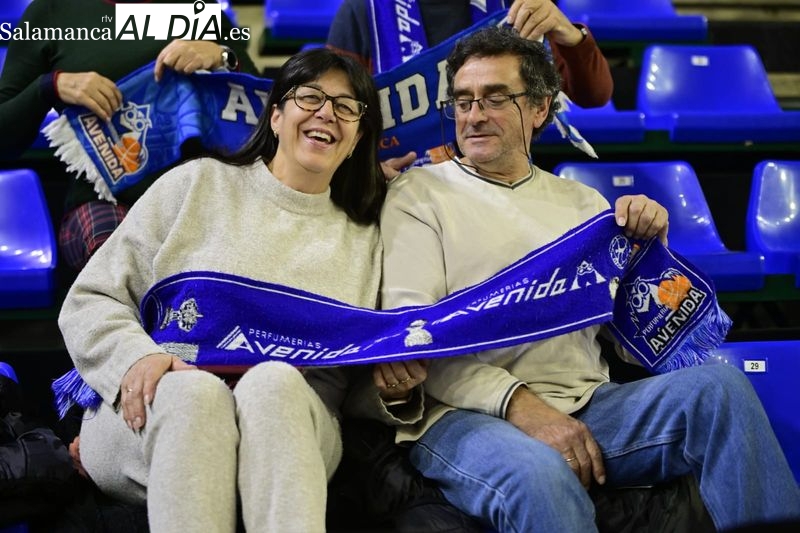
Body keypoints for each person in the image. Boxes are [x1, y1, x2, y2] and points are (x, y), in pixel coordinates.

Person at [369, 25, 800, 532]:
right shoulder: (419, 194)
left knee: (719, 388)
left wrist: (648, 255)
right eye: (463, 101)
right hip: (462, 416)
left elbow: (629, 345)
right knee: (539, 472)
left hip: (591, 404)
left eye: (495, 98)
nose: (474, 115)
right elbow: (416, 339)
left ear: (539, 108)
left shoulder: (582, 203)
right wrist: (522, 406)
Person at [57, 47, 410, 532]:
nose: (327, 113)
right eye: (310, 97)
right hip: (161, 401)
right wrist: (134, 358)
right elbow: (90, 299)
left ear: (358, 139)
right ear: (277, 116)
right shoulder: (196, 184)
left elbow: (355, 382)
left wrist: (392, 390)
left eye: (346, 107)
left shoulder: (370, 238)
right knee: (196, 396)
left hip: (291, 420)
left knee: (274, 383)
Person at [0, 0, 257, 271]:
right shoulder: (52, 10)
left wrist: (223, 56)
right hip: (105, 202)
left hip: (201, 197)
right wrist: (50, 86)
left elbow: (272, 114)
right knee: (124, 267)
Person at [327, 0, 614, 175]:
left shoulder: (516, 7)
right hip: (395, 196)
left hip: (500, 189)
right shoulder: (362, 11)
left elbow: (594, 95)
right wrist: (365, 174)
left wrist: (570, 35)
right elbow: (332, 119)